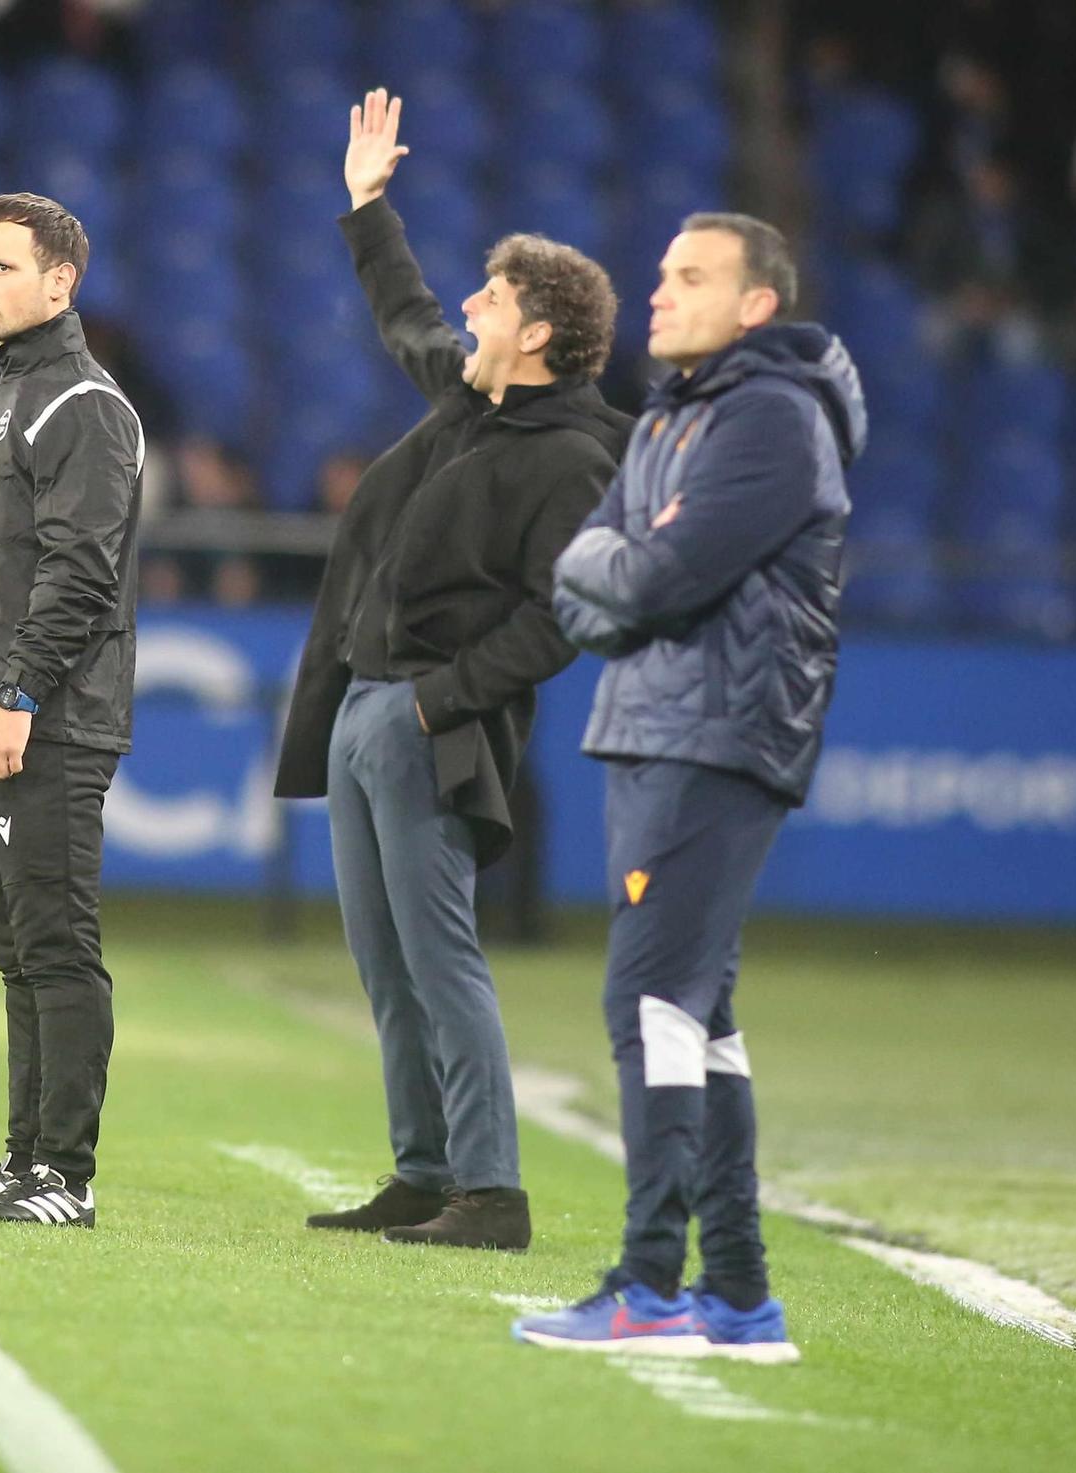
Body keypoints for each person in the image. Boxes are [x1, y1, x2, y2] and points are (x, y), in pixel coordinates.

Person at [275, 90, 632, 1252]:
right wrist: (366, 205)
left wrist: (435, 702)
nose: (471, 307)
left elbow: (560, 618)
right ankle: (423, 1171)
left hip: (430, 724)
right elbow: (407, 312)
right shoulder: (470, 398)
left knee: (440, 959)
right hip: (364, 704)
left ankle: (491, 1192)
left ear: (535, 334)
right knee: (384, 966)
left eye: (495, 297)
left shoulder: (573, 457)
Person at [514, 214, 865, 1356]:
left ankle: (651, 1284)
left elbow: (653, 574)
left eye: (689, 278)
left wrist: (612, 567)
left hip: (714, 733)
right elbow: (590, 571)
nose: (656, 294)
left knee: (648, 1005)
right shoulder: (678, 411)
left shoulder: (768, 417)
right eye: (661, 274)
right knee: (697, 1015)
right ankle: (739, 1295)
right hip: (661, 726)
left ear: (756, 304)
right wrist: (611, 566)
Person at [0, 193, 143, 1229]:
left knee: (54, 943)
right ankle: (21, 1160)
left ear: (61, 282)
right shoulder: (7, 397)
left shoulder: (80, 403)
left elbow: (77, 575)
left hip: (46, 722)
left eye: (1, 268)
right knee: (18, 953)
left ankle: (65, 1176)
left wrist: (15, 698)